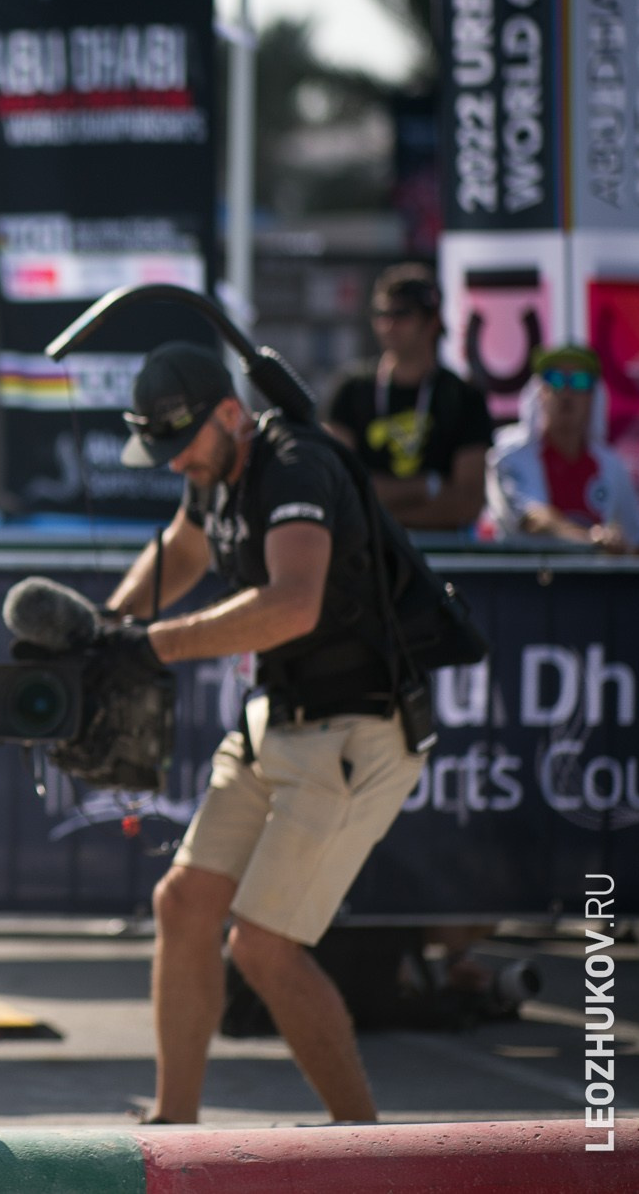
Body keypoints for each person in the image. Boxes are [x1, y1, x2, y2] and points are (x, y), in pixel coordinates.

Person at [106, 341, 424, 1125]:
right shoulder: (213, 472)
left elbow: (293, 605)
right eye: (164, 451)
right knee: (182, 902)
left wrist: (153, 644)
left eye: (183, 446)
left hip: (355, 728)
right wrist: (104, 630)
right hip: (275, 718)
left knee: (263, 944)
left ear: (229, 413)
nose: (178, 463)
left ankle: (364, 1145)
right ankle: (174, 1126)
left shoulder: (296, 467)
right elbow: (182, 550)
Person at [326, 264, 493, 531]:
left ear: (432, 322)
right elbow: (340, 488)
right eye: (381, 313)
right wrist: (428, 485)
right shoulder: (351, 389)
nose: (388, 324)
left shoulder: (464, 397)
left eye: (402, 314)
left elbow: (468, 502)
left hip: (443, 554)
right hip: (368, 554)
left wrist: (381, 507)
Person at [484, 343, 639, 552]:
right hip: (521, 582)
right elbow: (534, 519)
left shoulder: (611, 465)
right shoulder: (509, 455)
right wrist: (590, 539)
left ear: (593, 398)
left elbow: (638, 537)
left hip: (593, 584)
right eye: (555, 379)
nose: (567, 392)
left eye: (580, 381)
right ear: (540, 392)